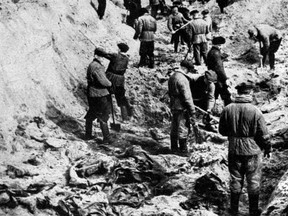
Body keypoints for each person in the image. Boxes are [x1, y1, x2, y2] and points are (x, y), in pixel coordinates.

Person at [219, 81, 271, 216]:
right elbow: (264, 135)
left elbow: (222, 131)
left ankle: (234, 210)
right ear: (250, 93)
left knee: (235, 179)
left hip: (234, 149)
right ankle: (253, 211)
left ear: (238, 93)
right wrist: (268, 148)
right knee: (253, 180)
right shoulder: (255, 111)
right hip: (252, 151)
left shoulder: (227, 109)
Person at [94, 43, 133, 122]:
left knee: (106, 95)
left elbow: (105, 55)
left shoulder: (115, 56)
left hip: (111, 77)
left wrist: (98, 49)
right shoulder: (126, 59)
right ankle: (125, 118)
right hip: (120, 80)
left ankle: (105, 115)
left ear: (119, 49)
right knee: (121, 97)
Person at [168, 63, 202, 154]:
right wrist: (192, 111)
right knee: (183, 127)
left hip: (173, 105)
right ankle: (183, 150)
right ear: (186, 69)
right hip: (182, 106)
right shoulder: (183, 79)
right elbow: (187, 97)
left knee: (174, 127)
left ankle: (174, 148)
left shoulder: (173, 76)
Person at [84, 48, 112, 142]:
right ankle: (106, 138)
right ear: (96, 56)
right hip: (99, 94)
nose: (102, 59)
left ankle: (88, 135)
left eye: (103, 57)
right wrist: (110, 84)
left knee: (91, 114)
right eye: (101, 57)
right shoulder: (97, 66)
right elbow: (103, 82)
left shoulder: (92, 65)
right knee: (103, 115)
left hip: (92, 93)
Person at [207, 36, 231, 106]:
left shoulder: (212, 51)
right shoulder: (216, 53)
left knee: (214, 96)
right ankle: (229, 112)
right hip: (218, 79)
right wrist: (225, 79)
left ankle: (209, 111)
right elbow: (219, 68)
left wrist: (223, 57)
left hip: (212, 77)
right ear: (219, 44)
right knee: (226, 96)